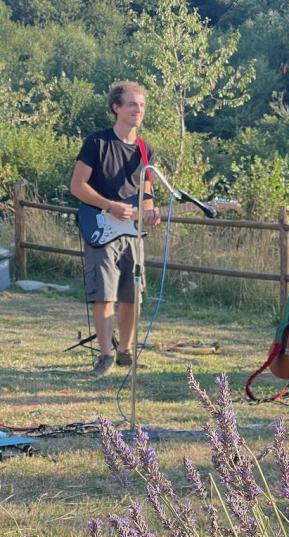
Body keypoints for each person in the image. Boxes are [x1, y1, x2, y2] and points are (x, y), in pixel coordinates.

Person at [70, 81, 160, 377]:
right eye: (132, 104)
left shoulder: (146, 150)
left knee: (133, 294)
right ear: (116, 107)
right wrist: (110, 206)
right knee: (104, 295)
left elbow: (146, 194)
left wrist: (150, 213)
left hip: (132, 233)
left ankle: (125, 352)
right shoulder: (97, 143)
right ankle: (105, 356)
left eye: (142, 105)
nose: (139, 110)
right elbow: (77, 186)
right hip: (101, 226)